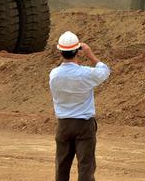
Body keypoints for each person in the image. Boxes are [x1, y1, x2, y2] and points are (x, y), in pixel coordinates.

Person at [49, 31, 111, 181]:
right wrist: (90, 54)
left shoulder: (54, 75)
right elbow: (105, 71)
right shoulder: (85, 74)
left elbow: (64, 69)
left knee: (62, 167)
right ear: (78, 51)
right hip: (83, 125)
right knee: (85, 167)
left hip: (63, 126)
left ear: (60, 51)